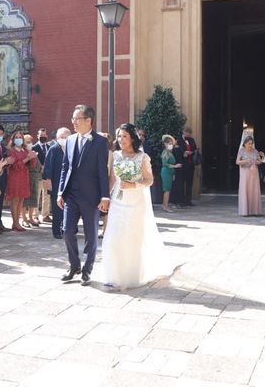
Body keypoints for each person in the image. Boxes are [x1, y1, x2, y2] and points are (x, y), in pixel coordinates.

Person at [102, 123, 172, 289]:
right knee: (113, 237)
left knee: (133, 239)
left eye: (124, 136)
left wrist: (134, 184)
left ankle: (132, 275)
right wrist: (106, 197)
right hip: (118, 201)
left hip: (136, 202)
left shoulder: (142, 157)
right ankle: (114, 275)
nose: (121, 139)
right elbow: (112, 179)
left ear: (132, 138)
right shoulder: (115, 155)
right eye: (119, 136)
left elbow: (149, 180)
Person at [58, 105, 110, 287]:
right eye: (73, 119)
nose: (73, 122)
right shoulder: (70, 140)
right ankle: (74, 266)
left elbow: (103, 171)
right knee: (67, 231)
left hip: (92, 197)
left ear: (89, 120)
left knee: (91, 235)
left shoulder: (100, 142)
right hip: (71, 194)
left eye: (77, 119)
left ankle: (87, 270)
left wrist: (105, 196)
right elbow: (66, 167)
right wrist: (60, 192)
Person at [42, 127, 71, 239]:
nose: (62, 139)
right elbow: (48, 166)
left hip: (69, 184)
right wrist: (48, 181)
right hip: (56, 183)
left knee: (68, 208)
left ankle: (67, 228)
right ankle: (56, 231)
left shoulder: (72, 148)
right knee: (57, 208)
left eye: (64, 137)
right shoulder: (54, 149)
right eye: (60, 137)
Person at [5, 131, 36, 232]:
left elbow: (32, 164)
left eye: (20, 137)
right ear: (13, 139)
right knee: (15, 199)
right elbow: (15, 165)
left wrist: (32, 156)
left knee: (21, 200)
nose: (18, 139)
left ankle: (17, 222)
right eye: (16, 137)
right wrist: (27, 158)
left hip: (24, 177)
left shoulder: (25, 150)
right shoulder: (11, 150)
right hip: (15, 177)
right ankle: (15, 223)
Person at [236, 136, 263, 216]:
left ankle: (254, 211)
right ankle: (245, 211)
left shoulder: (255, 151)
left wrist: (257, 161)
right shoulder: (241, 151)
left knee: (254, 190)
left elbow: (260, 161)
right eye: (249, 144)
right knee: (245, 190)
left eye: (251, 143)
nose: (250, 145)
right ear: (245, 144)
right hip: (245, 173)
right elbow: (237, 162)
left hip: (254, 173)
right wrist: (245, 161)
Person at [32, 128, 52, 223]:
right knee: (36, 195)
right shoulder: (34, 147)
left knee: (47, 195)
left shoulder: (50, 147)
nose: (43, 137)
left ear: (46, 136)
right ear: (37, 136)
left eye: (44, 135)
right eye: (41, 135)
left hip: (47, 175)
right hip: (37, 174)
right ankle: (35, 215)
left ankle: (45, 215)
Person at [22, 134, 41, 227]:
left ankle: (30, 217)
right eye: (27, 142)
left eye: (30, 142)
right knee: (24, 200)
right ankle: (24, 218)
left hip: (35, 178)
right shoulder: (23, 153)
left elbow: (39, 165)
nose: (30, 144)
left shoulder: (33, 152)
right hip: (25, 178)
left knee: (33, 199)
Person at [160, 135, 181, 212]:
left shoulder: (169, 152)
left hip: (169, 172)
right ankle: (165, 206)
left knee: (168, 189)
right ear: (165, 144)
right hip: (166, 172)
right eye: (169, 143)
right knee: (167, 190)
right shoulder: (166, 153)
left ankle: (165, 205)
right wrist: (175, 166)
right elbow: (165, 164)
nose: (171, 145)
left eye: (171, 143)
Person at [178, 127, 198, 206]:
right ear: (183, 132)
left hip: (190, 164)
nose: (188, 134)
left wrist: (192, 152)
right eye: (187, 133)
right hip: (183, 164)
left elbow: (195, 149)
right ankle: (181, 201)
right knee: (182, 183)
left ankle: (188, 200)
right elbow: (177, 150)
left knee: (189, 183)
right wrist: (184, 152)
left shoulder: (191, 140)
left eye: (189, 133)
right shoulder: (179, 140)